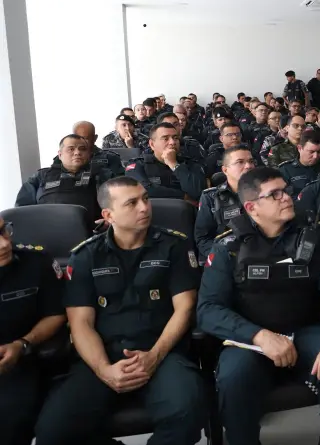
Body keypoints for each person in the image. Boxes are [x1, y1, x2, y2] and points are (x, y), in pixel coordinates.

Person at [34, 177, 205, 445]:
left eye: (145, 199)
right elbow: (80, 323)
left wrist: (154, 356)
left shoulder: (174, 246)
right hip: (102, 355)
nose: (144, 207)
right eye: (131, 203)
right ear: (108, 215)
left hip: (161, 351)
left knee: (188, 411)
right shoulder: (86, 255)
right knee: (54, 431)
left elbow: (184, 308)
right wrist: (104, 369)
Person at [197, 167, 320, 445]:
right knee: (234, 377)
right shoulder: (228, 248)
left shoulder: (314, 238)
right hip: (250, 339)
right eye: (275, 194)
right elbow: (208, 310)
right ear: (252, 207)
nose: (286, 198)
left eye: (286, 191)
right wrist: (259, 336)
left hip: (305, 328)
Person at [0, 216, 66, 445]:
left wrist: (23, 343)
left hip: (21, 358)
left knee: (11, 421)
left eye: (4, 231)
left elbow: (56, 314)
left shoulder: (36, 262)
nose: (5, 244)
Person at [16, 134, 113, 224]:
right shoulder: (41, 176)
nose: (77, 153)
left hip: (91, 230)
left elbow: (116, 204)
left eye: (82, 149)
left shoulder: (102, 175)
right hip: (45, 228)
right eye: (71, 149)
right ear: (60, 154)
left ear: (88, 154)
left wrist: (107, 221)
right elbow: (22, 209)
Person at [195, 146, 256, 259]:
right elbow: (203, 239)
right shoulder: (211, 197)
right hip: (227, 257)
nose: (248, 166)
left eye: (251, 161)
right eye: (240, 162)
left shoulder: (266, 193)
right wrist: (223, 258)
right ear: (225, 170)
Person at [125, 123, 205, 203]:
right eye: (165, 139)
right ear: (152, 144)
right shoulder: (138, 164)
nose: (172, 142)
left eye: (175, 138)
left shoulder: (190, 164)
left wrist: (174, 164)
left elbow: (197, 193)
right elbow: (141, 189)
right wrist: (183, 196)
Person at [280, 128, 320, 197]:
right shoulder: (286, 170)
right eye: (311, 152)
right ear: (299, 148)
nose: (315, 156)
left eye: (319, 152)